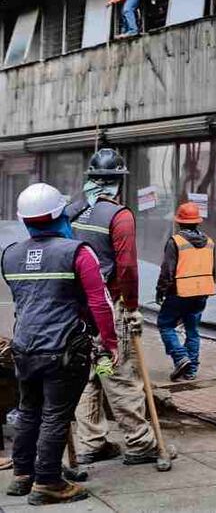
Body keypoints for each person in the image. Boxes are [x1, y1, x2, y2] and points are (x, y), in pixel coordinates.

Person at [2, 183, 118, 505]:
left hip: (24, 347)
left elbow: (27, 299)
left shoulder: (10, 255)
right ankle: (49, 482)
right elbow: (100, 302)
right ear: (60, 214)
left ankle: (22, 475)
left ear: (24, 219)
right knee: (55, 414)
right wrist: (109, 343)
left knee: (29, 410)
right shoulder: (78, 252)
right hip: (63, 350)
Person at [66, 149, 158, 466]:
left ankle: (91, 441)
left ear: (91, 179)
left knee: (88, 375)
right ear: (119, 181)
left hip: (77, 310)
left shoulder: (73, 212)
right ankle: (140, 443)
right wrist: (131, 308)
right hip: (108, 307)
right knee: (118, 373)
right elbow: (128, 269)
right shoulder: (120, 216)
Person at [155, 202, 216, 381]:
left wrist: (161, 290)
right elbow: (213, 271)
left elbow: (167, 270)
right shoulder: (210, 243)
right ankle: (191, 370)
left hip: (179, 292)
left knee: (165, 324)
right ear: (198, 222)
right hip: (202, 292)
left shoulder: (176, 242)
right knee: (192, 329)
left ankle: (180, 357)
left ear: (179, 222)